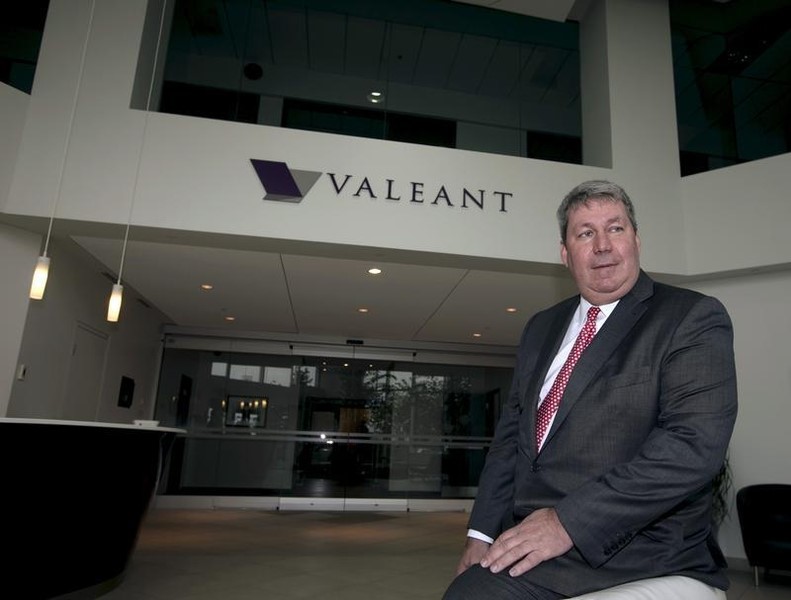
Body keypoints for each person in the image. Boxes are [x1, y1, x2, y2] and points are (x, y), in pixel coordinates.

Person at [443, 180, 738, 599]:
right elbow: (510, 439)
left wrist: (567, 522)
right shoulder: (541, 327)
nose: (602, 245)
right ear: (566, 254)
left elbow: (693, 447)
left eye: (615, 229)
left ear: (636, 239)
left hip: (640, 551)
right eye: (585, 233)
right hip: (538, 548)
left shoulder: (690, 317)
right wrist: (481, 532)